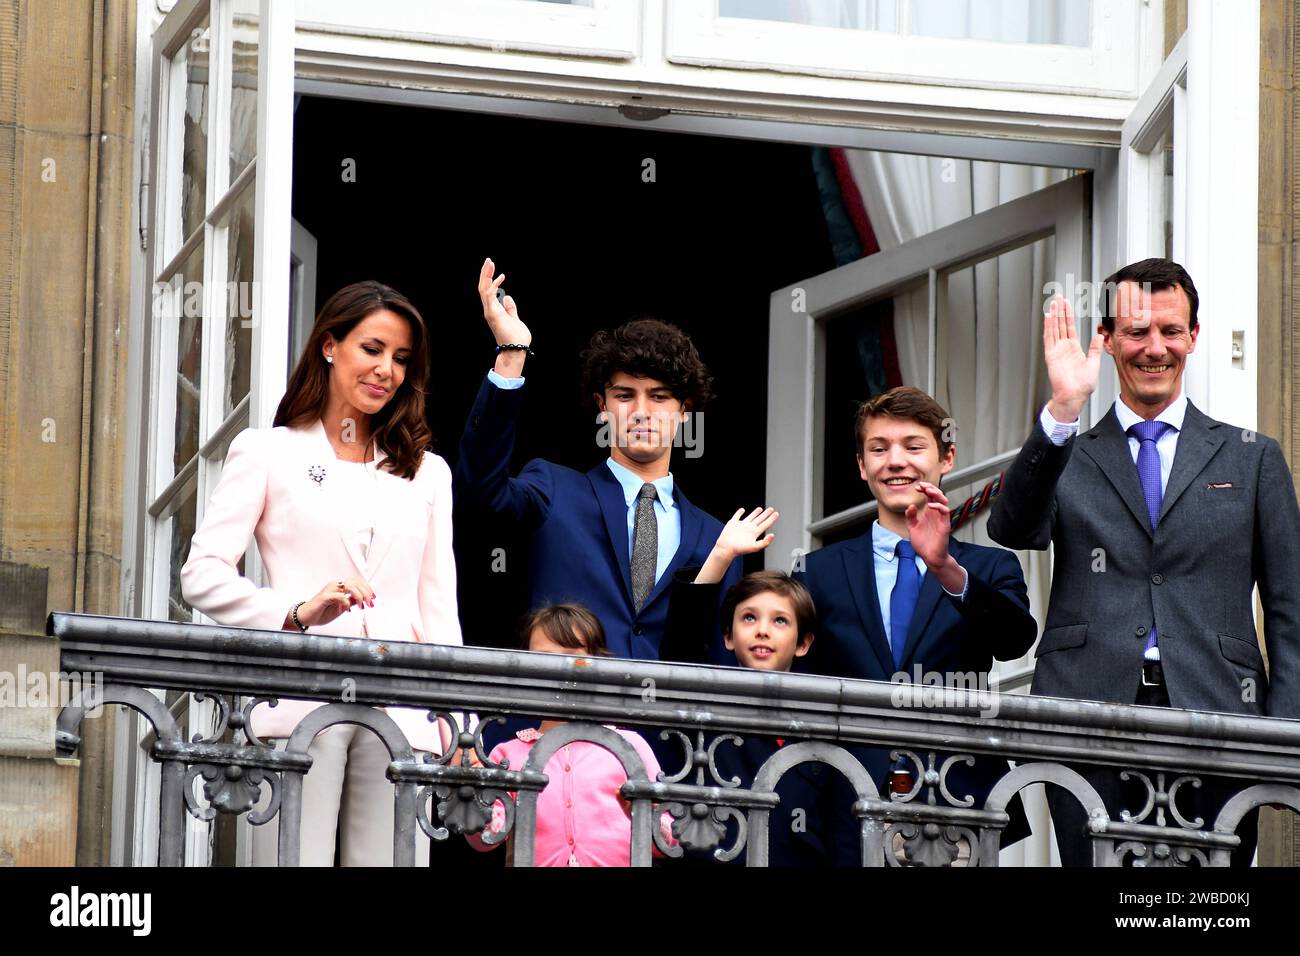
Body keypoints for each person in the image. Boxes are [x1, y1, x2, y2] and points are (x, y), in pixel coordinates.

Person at [988, 257, 1300, 866]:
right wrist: (1061, 412)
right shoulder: (1069, 450)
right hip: (1086, 709)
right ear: (1106, 340)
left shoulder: (1253, 458)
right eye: (1135, 332)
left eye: (1169, 330)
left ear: (1193, 337)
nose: (1154, 348)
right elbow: (1013, 527)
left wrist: (1284, 733)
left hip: (1221, 714)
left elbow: (1291, 607)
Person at [181, 280, 462, 866]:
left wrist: (457, 723)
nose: (386, 369)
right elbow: (202, 574)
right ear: (330, 347)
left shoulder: (429, 472)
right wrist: (294, 611)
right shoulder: (267, 451)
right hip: (296, 697)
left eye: (401, 359)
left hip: (403, 709)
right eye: (373, 348)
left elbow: (439, 608)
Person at [455, 258, 741, 663]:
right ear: (602, 407)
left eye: (659, 396)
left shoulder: (716, 537)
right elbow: (479, 493)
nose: (642, 410)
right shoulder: (553, 488)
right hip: (558, 720)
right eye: (625, 395)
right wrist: (511, 354)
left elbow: (720, 659)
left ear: (684, 411)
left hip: (662, 727)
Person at [792, 386, 1038, 851]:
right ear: (863, 466)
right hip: (843, 794)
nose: (896, 461)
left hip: (958, 793)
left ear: (947, 458)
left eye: (913, 446)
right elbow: (794, 677)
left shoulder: (987, 566)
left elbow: (1014, 640)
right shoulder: (816, 570)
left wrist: (945, 567)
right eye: (879, 449)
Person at [467, 603, 674, 866]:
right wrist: (472, 793)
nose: (557, 670)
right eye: (543, 659)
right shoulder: (508, 754)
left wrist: (643, 813)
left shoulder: (630, 747)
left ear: (598, 667)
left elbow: (670, 841)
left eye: (571, 657)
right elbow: (485, 839)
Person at [669, 565, 842, 866]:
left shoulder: (821, 727)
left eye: (780, 620)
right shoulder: (704, 706)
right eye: (749, 617)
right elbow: (681, 646)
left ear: (803, 643)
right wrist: (722, 556)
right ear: (728, 636)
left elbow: (841, 834)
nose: (763, 630)